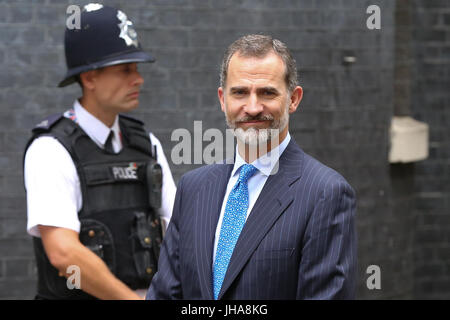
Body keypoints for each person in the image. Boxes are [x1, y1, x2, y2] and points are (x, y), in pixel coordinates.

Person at [147, 34, 357, 300]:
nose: (253, 107)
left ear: (293, 99)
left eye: (267, 92)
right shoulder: (193, 188)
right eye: (240, 92)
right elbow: (166, 294)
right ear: (223, 100)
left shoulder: (326, 193)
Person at [23, 3, 176, 300]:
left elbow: (178, 233)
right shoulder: (51, 150)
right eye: (125, 70)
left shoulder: (147, 144)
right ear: (89, 78)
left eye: (137, 69)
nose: (138, 79)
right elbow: (63, 254)